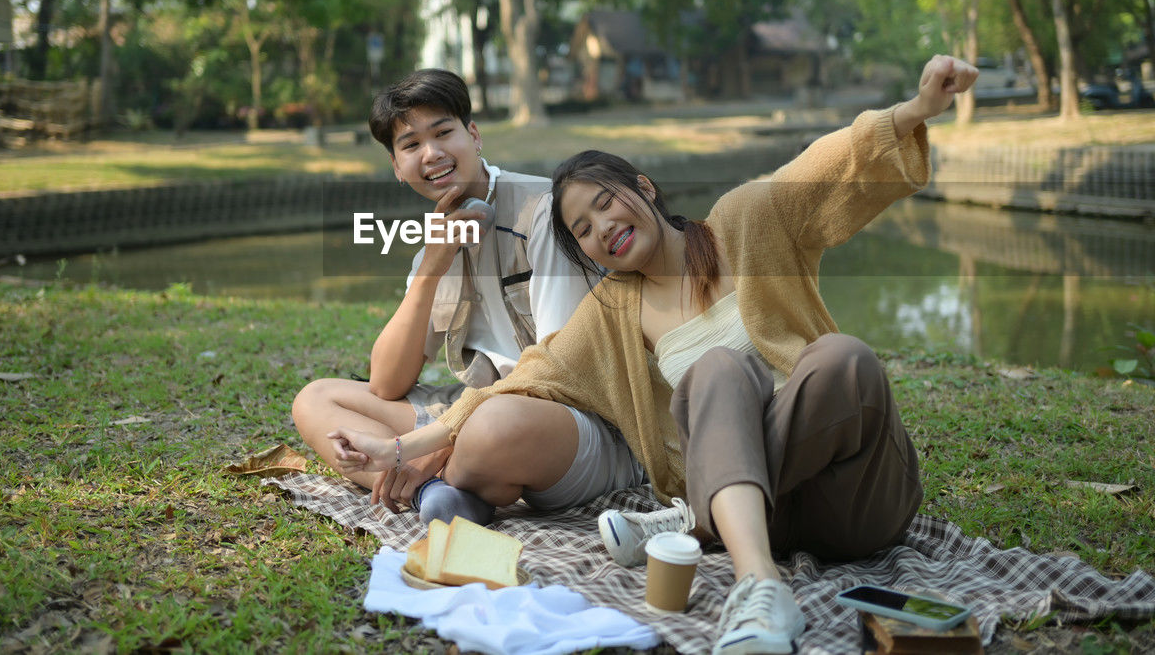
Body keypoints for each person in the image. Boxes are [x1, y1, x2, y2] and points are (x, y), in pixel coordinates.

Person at [329, 56, 978, 654]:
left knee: (843, 358)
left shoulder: (746, 223)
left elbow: (828, 166)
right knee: (717, 372)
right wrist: (409, 446)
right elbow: (527, 377)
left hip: (860, 500)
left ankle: (688, 522)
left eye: (605, 202)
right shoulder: (612, 310)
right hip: (760, 517)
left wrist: (915, 110)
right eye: (582, 229)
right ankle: (760, 593)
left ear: (642, 186)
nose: (601, 227)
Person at [292, 68, 646, 526]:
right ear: (398, 168)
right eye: (411, 145)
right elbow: (386, 384)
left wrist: (437, 440)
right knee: (317, 399)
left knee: (494, 425)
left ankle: (450, 472)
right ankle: (438, 492)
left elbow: (562, 370)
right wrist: (432, 266)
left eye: (443, 133)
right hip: (480, 415)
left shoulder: (545, 211)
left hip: (582, 425)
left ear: (474, 135)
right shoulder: (434, 244)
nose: (432, 153)